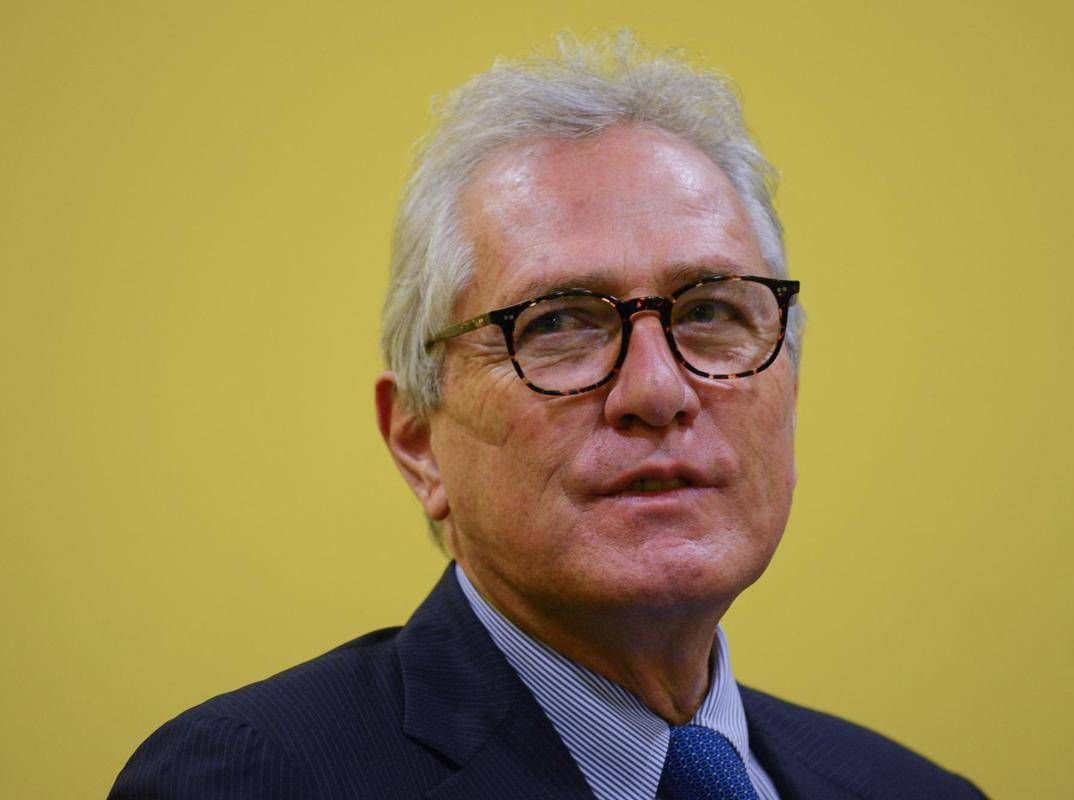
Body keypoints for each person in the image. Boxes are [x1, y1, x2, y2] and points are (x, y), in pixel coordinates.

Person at [110, 32, 986, 799]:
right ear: (418, 442)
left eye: (712, 312)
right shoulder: (252, 777)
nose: (658, 391)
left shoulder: (914, 790)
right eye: (560, 324)